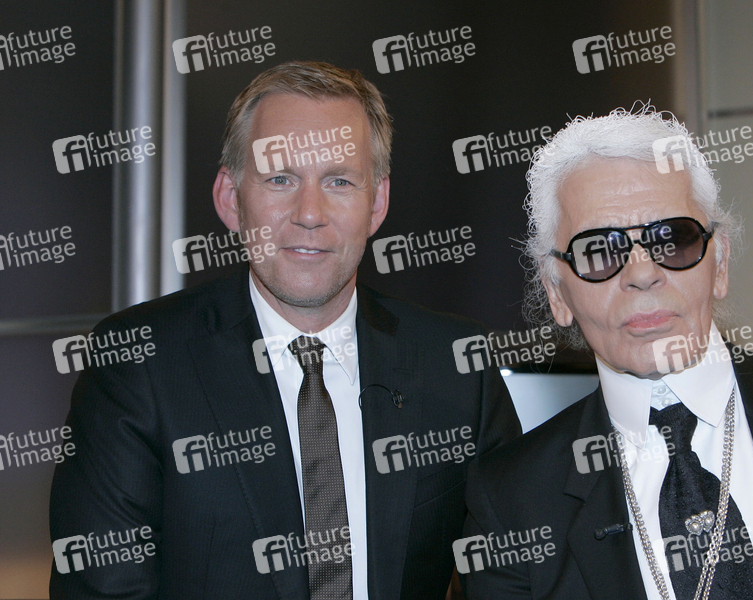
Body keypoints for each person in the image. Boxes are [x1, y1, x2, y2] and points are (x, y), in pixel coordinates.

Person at [49, 60, 520, 600]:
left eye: (339, 181)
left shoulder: (457, 365)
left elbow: (511, 580)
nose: (309, 213)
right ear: (231, 199)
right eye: (280, 179)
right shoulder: (136, 365)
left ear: (377, 203)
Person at [459, 107, 753, 599]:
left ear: (719, 263)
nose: (642, 273)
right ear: (557, 293)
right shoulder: (511, 502)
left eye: (672, 239)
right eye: (599, 250)